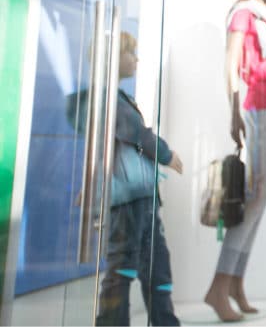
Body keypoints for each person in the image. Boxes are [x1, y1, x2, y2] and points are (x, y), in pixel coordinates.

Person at [204, 0, 266, 322]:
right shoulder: (244, 13)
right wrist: (233, 111)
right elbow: (231, 64)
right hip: (258, 105)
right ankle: (219, 286)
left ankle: (236, 282)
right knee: (254, 197)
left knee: (262, 197)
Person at [95, 32, 183, 326]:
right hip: (130, 199)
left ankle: (164, 321)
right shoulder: (111, 99)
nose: (136, 59)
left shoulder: (118, 98)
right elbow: (138, 134)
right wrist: (168, 155)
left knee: (156, 268)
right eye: (130, 53)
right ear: (113, 57)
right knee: (124, 268)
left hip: (142, 197)